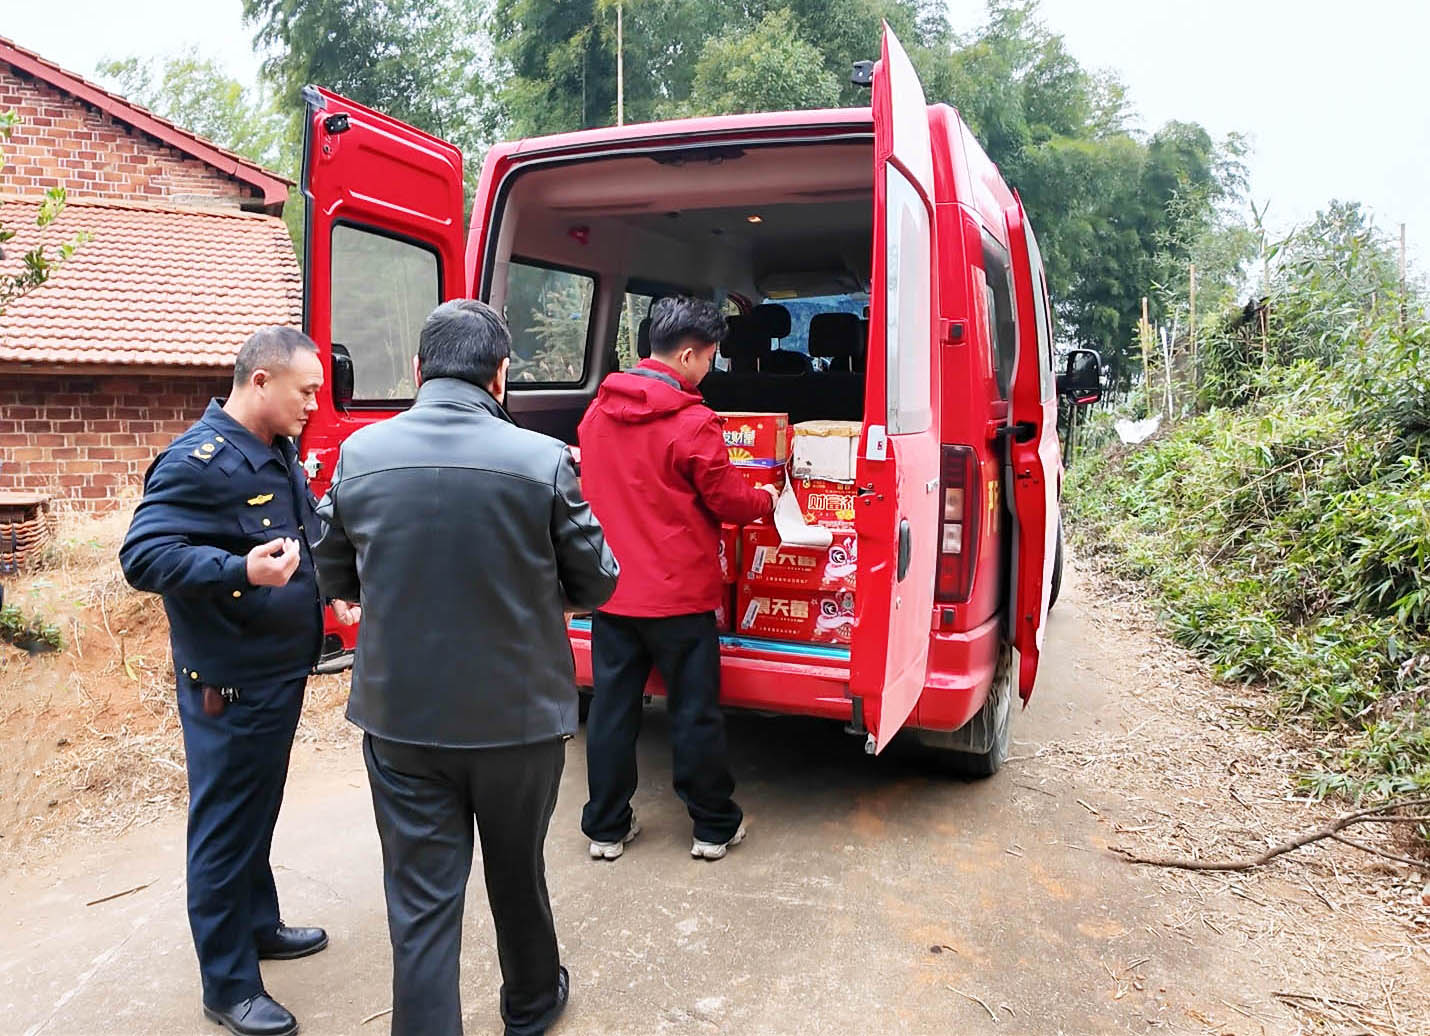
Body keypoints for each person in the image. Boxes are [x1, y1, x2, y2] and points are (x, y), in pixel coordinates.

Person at [312, 299, 618, 1036]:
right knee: (518, 871)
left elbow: (333, 569)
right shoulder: (543, 460)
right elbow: (599, 580)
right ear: (501, 375)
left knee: (420, 903)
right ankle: (532, 1005)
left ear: (418, 370)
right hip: (519, 719)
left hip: (402, 719)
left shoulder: (361, 456)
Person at [120, 326, 352, 1036]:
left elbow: (300, 534)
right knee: (224, 828)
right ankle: (228, 986)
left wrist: (330, 594)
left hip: (274, 671)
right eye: (306, 391)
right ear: (260, 382)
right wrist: (240, 570)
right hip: (230, 683)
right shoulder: (197, 462)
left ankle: (258, 924)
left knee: (257, 808)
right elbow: (143, 556)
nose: (314, 404)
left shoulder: (273, 448)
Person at [577, 296, 778, 863]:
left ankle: (606, 828)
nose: (710, 369)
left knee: (612, 713)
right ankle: (712, 826)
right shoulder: (693, 423)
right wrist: (767, 498)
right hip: (679, 600)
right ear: (688, 355)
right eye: (710, 358)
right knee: (693, 713)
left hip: (613, 594)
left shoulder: (597, 414)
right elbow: (729, 500)